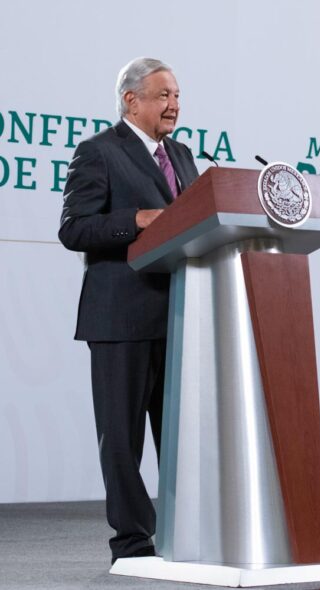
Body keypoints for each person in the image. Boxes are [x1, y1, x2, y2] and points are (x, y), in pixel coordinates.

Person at [58, 57, 200, 562]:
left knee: (181, 443)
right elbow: (73, 228)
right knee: (121, 442)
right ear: (131, 100)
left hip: (180, 319)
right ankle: (134, 544)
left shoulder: (183, 157)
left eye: (178, 96)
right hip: (119, 319)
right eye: (164, 96)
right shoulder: (99, 152)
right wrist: (135, 219)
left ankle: (185, 539)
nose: (175, 105)